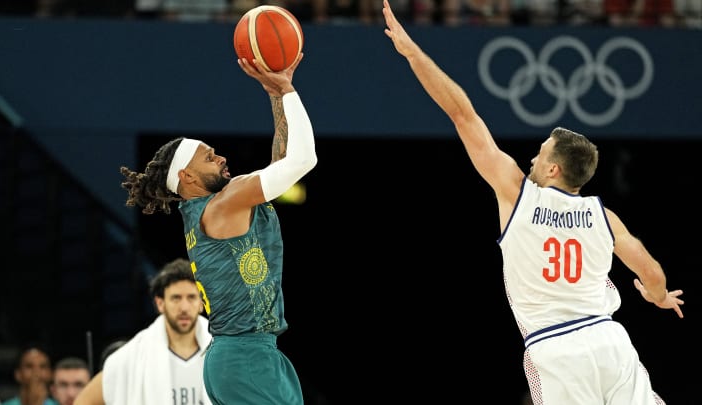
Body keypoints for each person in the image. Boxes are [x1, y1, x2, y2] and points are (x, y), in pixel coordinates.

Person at [380, 1, 685, 404]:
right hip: (610, 340)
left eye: (541, 153)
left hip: (556, 350)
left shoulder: (517, 194)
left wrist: (413, 53)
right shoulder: (603, 217)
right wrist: (658, 295)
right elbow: (650, 269)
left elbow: (462, 115)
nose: (532, 159)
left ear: (555, 169)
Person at [119, 52, 315, 405]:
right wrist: (288, 91)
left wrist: (275, 95)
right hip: (244, 356)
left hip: (246, 354)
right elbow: (304, 160)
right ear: (187, 176)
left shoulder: (217, 205)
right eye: (209, 156)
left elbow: (283, 163)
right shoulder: (225, 204)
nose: (221, 157)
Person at [73, 258, 211, 405]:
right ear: (160, 303)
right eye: (176, 298)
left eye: (191, 298)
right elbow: (83, 401)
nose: (184, 307)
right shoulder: (132, 356)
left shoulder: (223, 350)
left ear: (202, 303)